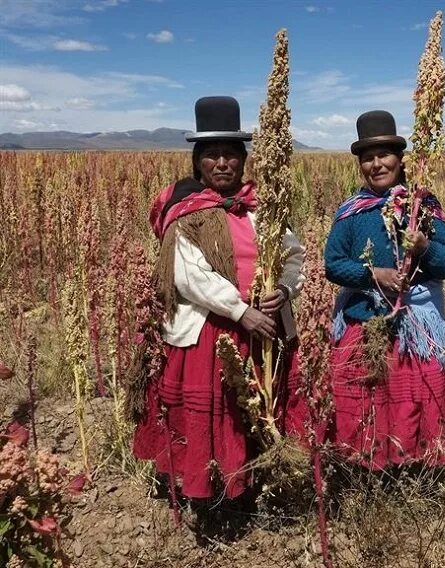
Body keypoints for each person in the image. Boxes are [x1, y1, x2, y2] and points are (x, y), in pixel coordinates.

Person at [132, 96, 305, 502]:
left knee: (259, 406)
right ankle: (210, 494)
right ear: (198, 163)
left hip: (265, 328)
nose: (222, 163)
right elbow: (188, 276)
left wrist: (283, 290)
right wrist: (240, 310)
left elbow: (294, 257)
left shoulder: (261, 207)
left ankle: (255, 485)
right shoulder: (186, 210)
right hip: (213, 333)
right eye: (212, 155)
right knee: (217, 412)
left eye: (231, 154)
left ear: (244, 160)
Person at [283, 110, 445, 470]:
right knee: (365, 402)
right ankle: (366, 471)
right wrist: (373, 274)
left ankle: (412, 471)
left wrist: (424, 247)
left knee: (413, 403)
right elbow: (333, 264)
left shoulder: (422, 205)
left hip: (416, 326)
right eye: (368, 158)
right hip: (362, 321)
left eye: (385, 155)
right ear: (360, 164)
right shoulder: (352, 211)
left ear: (400, 159)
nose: (377, 164)